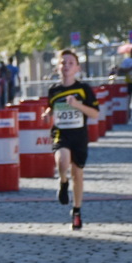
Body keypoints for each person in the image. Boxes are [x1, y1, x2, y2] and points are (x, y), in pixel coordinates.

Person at [46, 49, 99, 231]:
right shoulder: (54, 90)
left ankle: (76, 211)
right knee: (62, 160)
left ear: (77, 68)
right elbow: (51, 108)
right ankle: (62, 181)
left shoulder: (84, 89)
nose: (66, 66)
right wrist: (47, 113)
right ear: (57, 67)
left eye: (70, 63)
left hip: (79, 135)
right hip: (62, 133)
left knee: (78, 174)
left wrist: (77, 105)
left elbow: (95, 113)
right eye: (63, 63)